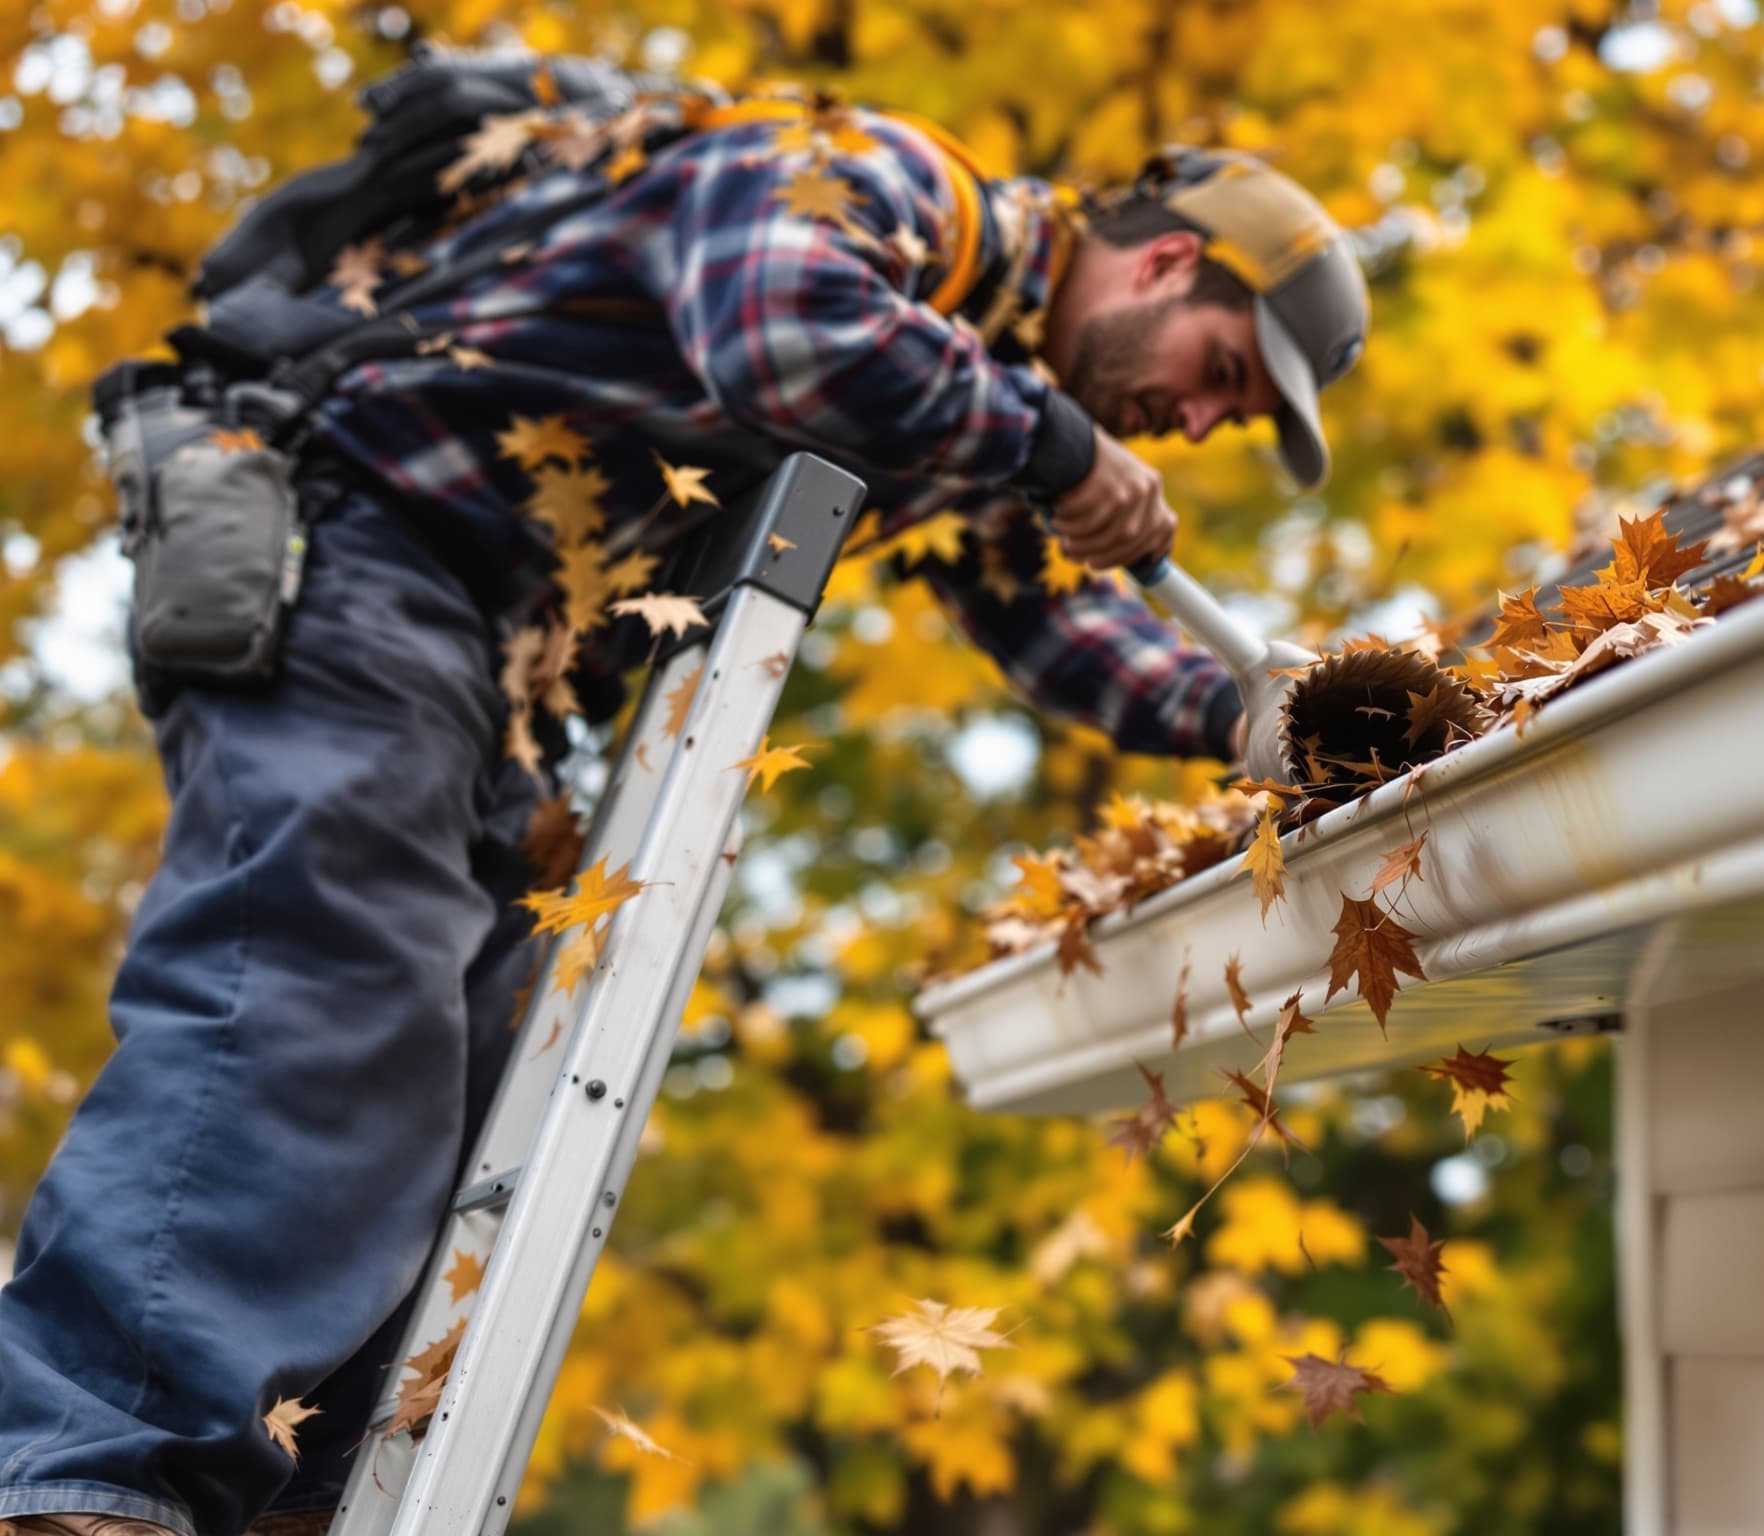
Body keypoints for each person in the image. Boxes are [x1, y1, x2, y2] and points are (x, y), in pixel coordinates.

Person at [0, 85, 1367, 1536]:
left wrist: (1254, 719)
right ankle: (83, 1469)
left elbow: (1053, 628)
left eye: (1236, 415)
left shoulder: (964, 400)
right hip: (361, 544)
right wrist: (1053, 441)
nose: (1206, 421)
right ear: (1164, 265)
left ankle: (277, 1504)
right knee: (325, 983)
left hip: (490, 670)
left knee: (469, 1072)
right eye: (1225, 372)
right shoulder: (892, 177)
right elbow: (784, 319)